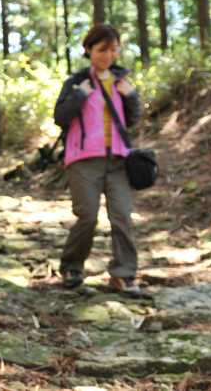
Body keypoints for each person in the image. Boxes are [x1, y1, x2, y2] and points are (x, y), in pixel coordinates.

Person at [53, 24, 142, 295]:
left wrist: (132, 97)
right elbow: (60, 117)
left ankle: (123, 275)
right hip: (83, 160)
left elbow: (133, 119)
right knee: (87, 216)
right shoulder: (76, 82)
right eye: (102, 49)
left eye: (113, 50)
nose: (108, 55)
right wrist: (79, 95)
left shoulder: (121, 81)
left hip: (118, 159)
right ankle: (72, 267)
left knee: (122, 216)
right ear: (89, 50)